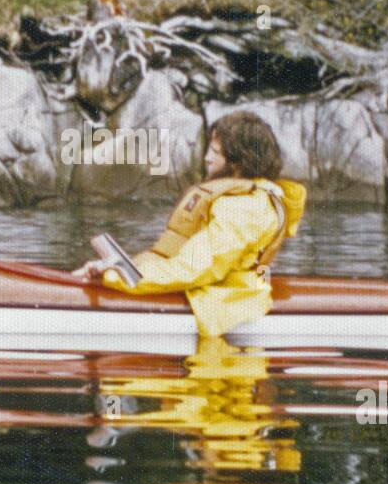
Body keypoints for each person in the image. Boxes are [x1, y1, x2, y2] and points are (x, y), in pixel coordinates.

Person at [73, 111, 307, 340]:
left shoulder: (245, 208)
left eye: (215, 152)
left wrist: (116, 277)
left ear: (239, 162)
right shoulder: (240, 199)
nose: (206, 158)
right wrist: (113, 268)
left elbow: (195, 268)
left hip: (225, 303)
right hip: (212, 288)